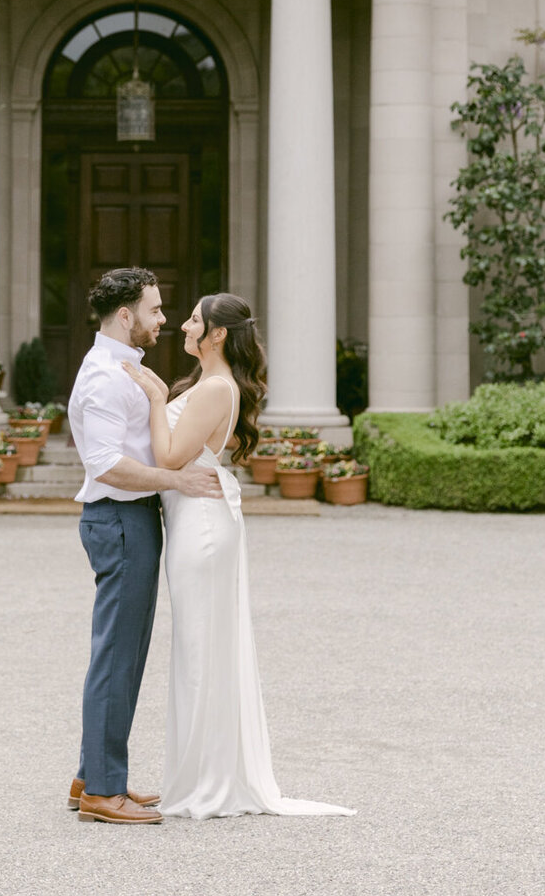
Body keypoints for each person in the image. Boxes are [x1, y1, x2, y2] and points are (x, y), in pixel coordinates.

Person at [122, 292, 356, 820]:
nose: (183, 325)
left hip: (201, 530)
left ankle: (209, 781)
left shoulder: (215, 388)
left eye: (194, 320)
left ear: (218, 333)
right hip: (194, 520)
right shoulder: (211, 385)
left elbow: (169, 456)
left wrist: (158, 399)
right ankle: (201, 773)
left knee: (201, 650)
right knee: (198, 649)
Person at [68, 265, 224, 825]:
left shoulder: (123, 369)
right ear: (127, 315)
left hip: (129, 521)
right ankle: (102, 793)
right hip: (119, 520)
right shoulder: (107, 378)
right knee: (117, 654)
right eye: (156, 310)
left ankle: (93, 775)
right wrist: (178, 481)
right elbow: (106, 465)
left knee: (124, 652)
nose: (163, 319)